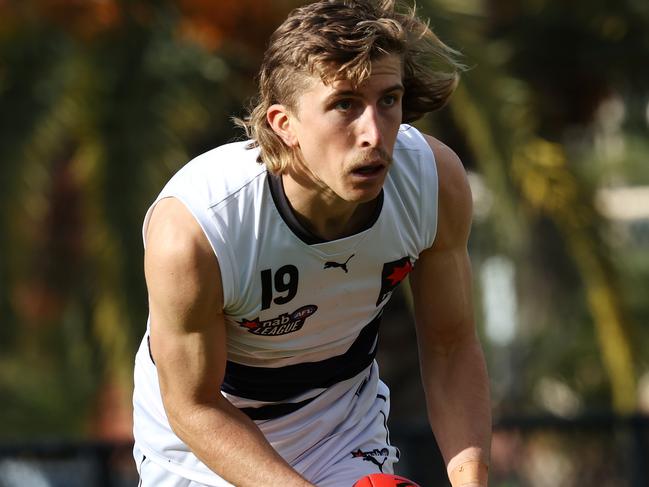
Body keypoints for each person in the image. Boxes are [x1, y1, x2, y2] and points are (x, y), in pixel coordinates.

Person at [132, 1, 492, 486]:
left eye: (388, 100)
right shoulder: (198, 229)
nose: (374, 133)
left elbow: (450, 347)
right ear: (285, 124)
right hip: (202, 448)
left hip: (342, 429)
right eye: (345, 104)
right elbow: (194, 405)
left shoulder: (432, 181)